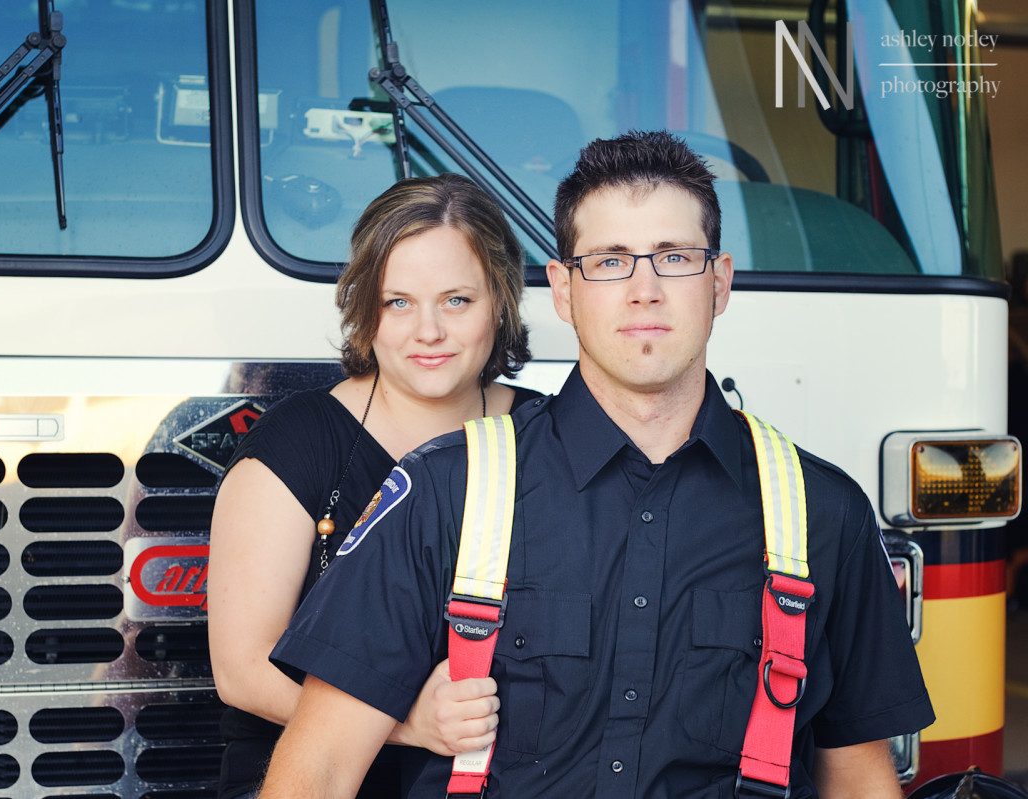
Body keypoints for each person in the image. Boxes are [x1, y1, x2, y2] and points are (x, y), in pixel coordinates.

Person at [258, 132, 935, 798]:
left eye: (674, 257)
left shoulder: (825, 513)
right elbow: (316, 771)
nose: (644, 290)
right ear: (562, 289)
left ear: (719, 282)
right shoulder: (446, 490)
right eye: (609, 261)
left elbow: (859, 777)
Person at [207, 173, 542, 799]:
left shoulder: (547, 436)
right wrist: (410, 724)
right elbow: (242, 671)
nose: (429, 332)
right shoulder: (300, 442)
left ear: (501, 301)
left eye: (457, 301)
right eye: (399, 302)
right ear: (365, 309)